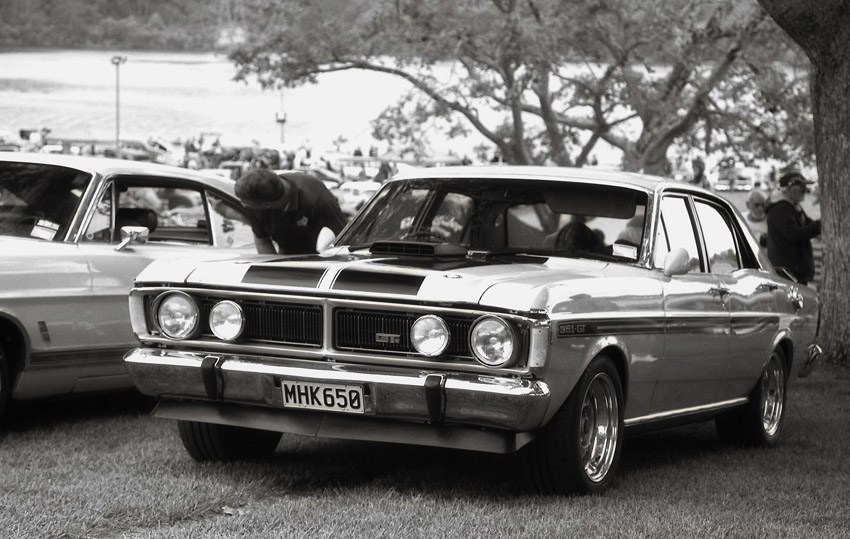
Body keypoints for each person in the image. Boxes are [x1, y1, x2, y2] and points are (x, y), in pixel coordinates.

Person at [235, 168, 348, 255]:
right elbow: (262, 240)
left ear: (267, 205)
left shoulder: (317, 199)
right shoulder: (255, 198)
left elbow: (343, 241)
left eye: (245, 202)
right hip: (286, 258)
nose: (243, 204)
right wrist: (274, 271)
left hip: (321, 260)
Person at [765, 164, 821, 285]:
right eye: (801, 187)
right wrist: (819, 226)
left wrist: (820, 228)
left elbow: (807, 223)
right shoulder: (780, 208)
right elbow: (794, 234)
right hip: (787, 274)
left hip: (794, 272)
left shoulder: (793, 206)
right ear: (789, 189)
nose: (804, 190)